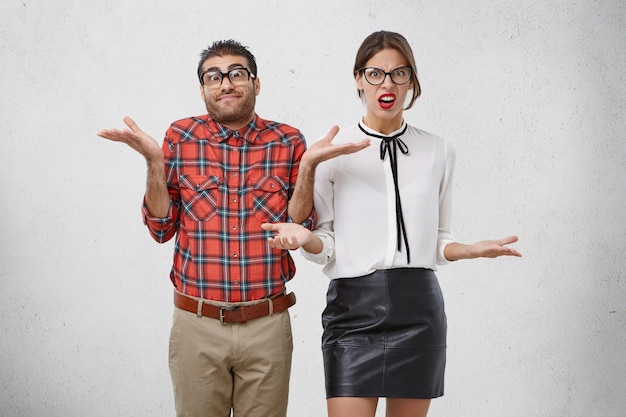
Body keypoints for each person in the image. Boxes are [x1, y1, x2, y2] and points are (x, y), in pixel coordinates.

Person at [98, 39, 367, 417]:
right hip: (197, 324)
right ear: (203, 88)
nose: (225, 83)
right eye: (214, 76)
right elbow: (161, 228)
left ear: (256, 84)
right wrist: (154, 162)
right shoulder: (181, 136)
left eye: (237, 73)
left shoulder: (287, 140)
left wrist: (307, 168)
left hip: (267, 325)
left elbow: (301, 226)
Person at [262, 31, 522, 417]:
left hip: (419, 309)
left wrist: (467, 250)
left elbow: (438, 241)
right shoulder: (332, 150)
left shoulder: (439, 150)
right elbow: (327, 242)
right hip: (352, 312)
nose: (388, 84)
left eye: (400, 74)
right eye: (376, 73)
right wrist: (305, 239)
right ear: (358, 78)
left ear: (412, 81)